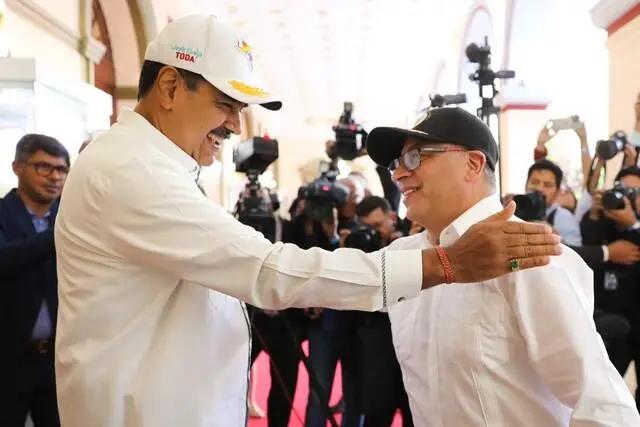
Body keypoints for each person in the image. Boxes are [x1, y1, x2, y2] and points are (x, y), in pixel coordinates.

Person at [55, 16, 562, 427]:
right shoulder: (130, 171)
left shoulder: (154, 166)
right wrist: (445, 265)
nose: (234, 125)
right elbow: (267, 270)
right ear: (170, 86)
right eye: (225, 105)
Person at [366, 107, 640, 426]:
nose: (398, 174)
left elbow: (604, 405)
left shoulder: (527, 254)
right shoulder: (405, 256)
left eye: (415, 157)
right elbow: (332, 282)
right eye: (395, 163)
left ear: (473, 164)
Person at [0, 134, 69, 427]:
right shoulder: (4, 214)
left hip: (58, 360)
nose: (54, 177)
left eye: (62, 169)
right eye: (43, 167)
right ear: (17, 167)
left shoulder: (68, 217)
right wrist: (61, 235)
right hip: (7, 361)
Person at [581, 166, 640, 408]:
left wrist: (633, 226)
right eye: (622, 190)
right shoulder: (603, 223)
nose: (626, 197)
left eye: (634, 192)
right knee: (600, 394)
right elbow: (586, 248)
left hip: (637, 319)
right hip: (608, 321)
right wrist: (595, 213)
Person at [526, 159, 583, 246]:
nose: (539, 189)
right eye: (534, 182)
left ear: (557, 192)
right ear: (526, 184)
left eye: (547, 185)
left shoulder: (564, 217)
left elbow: (576, 252)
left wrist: (554, 236)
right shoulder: (512, 207)